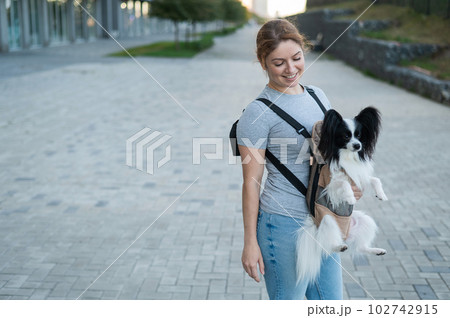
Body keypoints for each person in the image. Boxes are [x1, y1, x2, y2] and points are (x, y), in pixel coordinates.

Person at [236, 19, 362, 300]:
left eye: (296, 58)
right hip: (284, 224)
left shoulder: (318, 96)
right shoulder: (257, 114)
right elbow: (251, 184)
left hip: (324, 218)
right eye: (278, 62)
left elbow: (334, 156)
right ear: (263, 62)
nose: (291, 69)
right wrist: (250, 243)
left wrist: (350, 186)